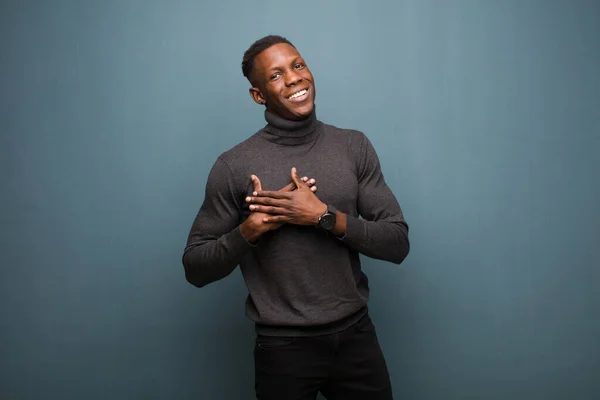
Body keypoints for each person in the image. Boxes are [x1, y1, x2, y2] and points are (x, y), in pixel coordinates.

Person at [182, 35, 410, 400]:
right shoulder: (233, 166)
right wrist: (251, 229)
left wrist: (322, 216)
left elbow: (397, 243)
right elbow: (195, 268)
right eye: (275, 76)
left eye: (298, 65)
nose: (293, 79)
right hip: (283, 349)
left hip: (357, 339)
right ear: (259, 96)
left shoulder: (353, 146)